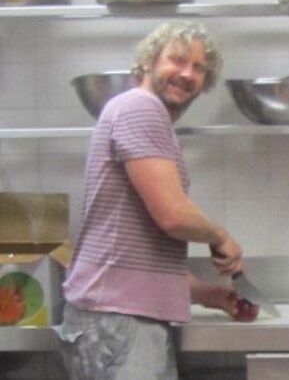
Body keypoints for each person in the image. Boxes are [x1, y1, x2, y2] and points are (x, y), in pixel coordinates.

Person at [58, 21, 244, 380]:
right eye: (177, 60)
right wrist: (220, 236)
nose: (187, 74)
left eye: (199, 68)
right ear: (148, 62)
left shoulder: (138, 113)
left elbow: (135, 254)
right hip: (118, 325)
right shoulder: (140, 108)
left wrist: (207, 294)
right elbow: (173, 216)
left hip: (115, 319)